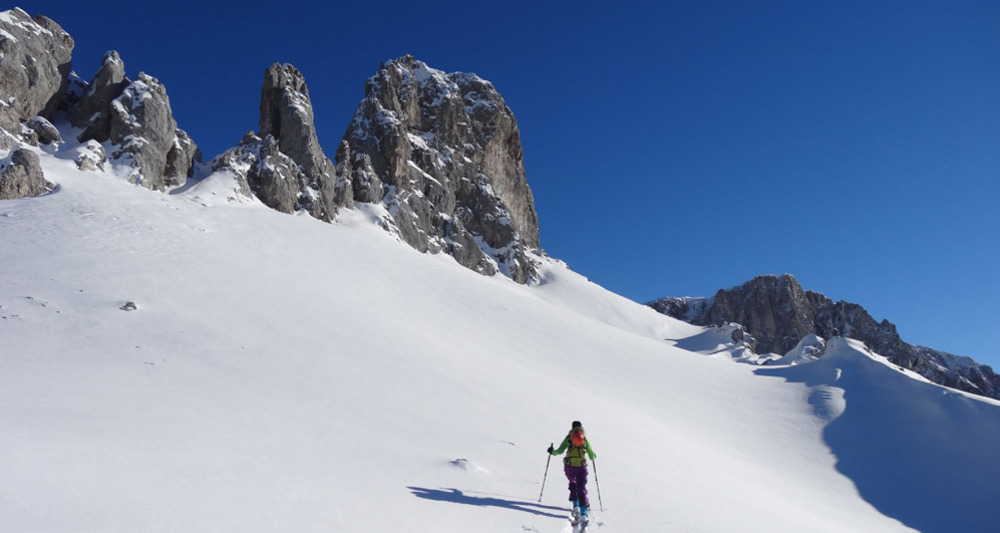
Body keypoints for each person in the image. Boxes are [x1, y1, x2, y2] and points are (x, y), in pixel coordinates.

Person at [547, 420, 597, 520]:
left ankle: (576, 505)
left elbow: (560, 451)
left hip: (569, 467)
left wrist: (552, 451)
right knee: (581, 488)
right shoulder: (584, 439)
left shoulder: (569, 438)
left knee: (573, 483)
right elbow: (591, 456)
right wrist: (593, 456)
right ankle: (584, 512)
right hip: (581, 468)